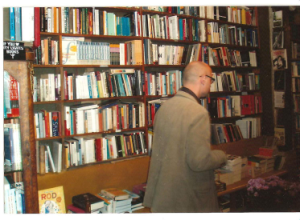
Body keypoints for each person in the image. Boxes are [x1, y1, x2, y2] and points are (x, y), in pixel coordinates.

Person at [143, 61, 227, 213]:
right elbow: (199, 162)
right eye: (211, 80)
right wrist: (221, 156)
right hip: (189, 200)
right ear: (203, 79)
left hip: (164, 197)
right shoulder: (198, 112)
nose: (211, 84)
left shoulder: (164, 108)